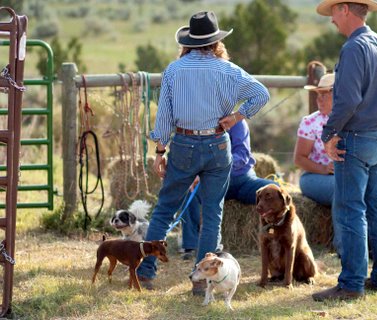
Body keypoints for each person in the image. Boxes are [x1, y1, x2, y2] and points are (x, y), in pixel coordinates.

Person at [136, 11, 270, 292]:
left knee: (164, 210)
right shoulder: (229, 70)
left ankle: (146, 272)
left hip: (184, 145)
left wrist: (160, 150)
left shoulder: (174, 70)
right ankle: (204, 282)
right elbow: (262, 94)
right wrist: (236, 117)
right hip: (218, 145)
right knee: (212, 214)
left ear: (189, 42)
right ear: (216, 42)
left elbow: (164, 116)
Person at [311, 0, 377, 301]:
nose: (332, 21)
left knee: (350, 211)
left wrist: (328, 133)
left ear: (345, 10)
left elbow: (346, 100)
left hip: (356, 139)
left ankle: (351, 284)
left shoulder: (352, 49)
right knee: (375, 206)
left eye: (333, 13)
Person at [181, 120, 277, 266]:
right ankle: (190, 246)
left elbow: (242, 155)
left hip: (243, 180)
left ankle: (278, 238)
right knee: (190, 192)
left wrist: (217, 167)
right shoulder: (201, 121)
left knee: (275, 190)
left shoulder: (238, 123)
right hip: (214, 183)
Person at [293, 72, 342, 256]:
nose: (319, 99)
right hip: (313, 177)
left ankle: (370, 245)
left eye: (324, 94)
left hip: (344, 175)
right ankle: (342, 247)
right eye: (318, 94)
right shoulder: (310, 122)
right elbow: (299, 159)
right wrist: (324, 169)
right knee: (342, 189)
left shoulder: (351, 119)